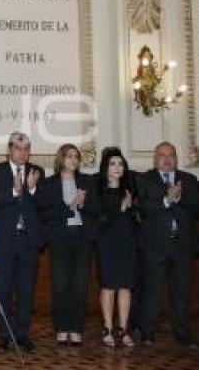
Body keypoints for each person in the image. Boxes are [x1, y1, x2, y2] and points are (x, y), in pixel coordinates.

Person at [135, 142, 199, 348]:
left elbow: (197, 208)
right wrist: (166, 200)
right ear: (155, 159)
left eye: (171, 155)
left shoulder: (189, 179)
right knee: (151, 292)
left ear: (176, 158)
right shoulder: (145, 179)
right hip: (154, 246)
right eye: (162, 155)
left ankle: (183, 336)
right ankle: (147, 334)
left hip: (182, 247)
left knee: (181, 293)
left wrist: (180, 198)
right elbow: (143, 209)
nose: (167, 159)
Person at [36, 143, 100, 347]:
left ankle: (76, 328)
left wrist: (84, 205)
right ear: (61, 159)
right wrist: (69, 208)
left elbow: (97, 208)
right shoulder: (49, 183)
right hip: (60, 239)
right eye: (69, 156)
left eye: (76, 157)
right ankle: (62, 328)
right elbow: (45, 212)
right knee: (61, 286)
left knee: (80, 286)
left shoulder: (87, 181)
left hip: (82, 237)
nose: (73, 160)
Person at [0, 131, 43, 353]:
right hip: (4, 240)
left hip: (28, 241)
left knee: (26, 291)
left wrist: (31, 189)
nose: (22, 153)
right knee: (2, 289)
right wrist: (16, 190)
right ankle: (4, 334)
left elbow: (42, 206)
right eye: (18, 148)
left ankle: (22, 334)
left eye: (26, 149)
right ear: (9, 150)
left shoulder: (37, 172)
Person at [95, 147, 136, 347]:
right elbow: (100, 220)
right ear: (105, 168)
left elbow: (137, 219)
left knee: (126, 287)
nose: (117, 167)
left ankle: (124, 329)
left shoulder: (129, 190)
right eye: (112, 164)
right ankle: (108, 328)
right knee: (109, 287)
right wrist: (120, 208)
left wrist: (132, 206)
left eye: (120, 164)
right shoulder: (99, 191)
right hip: (107, 245)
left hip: (127, 244)